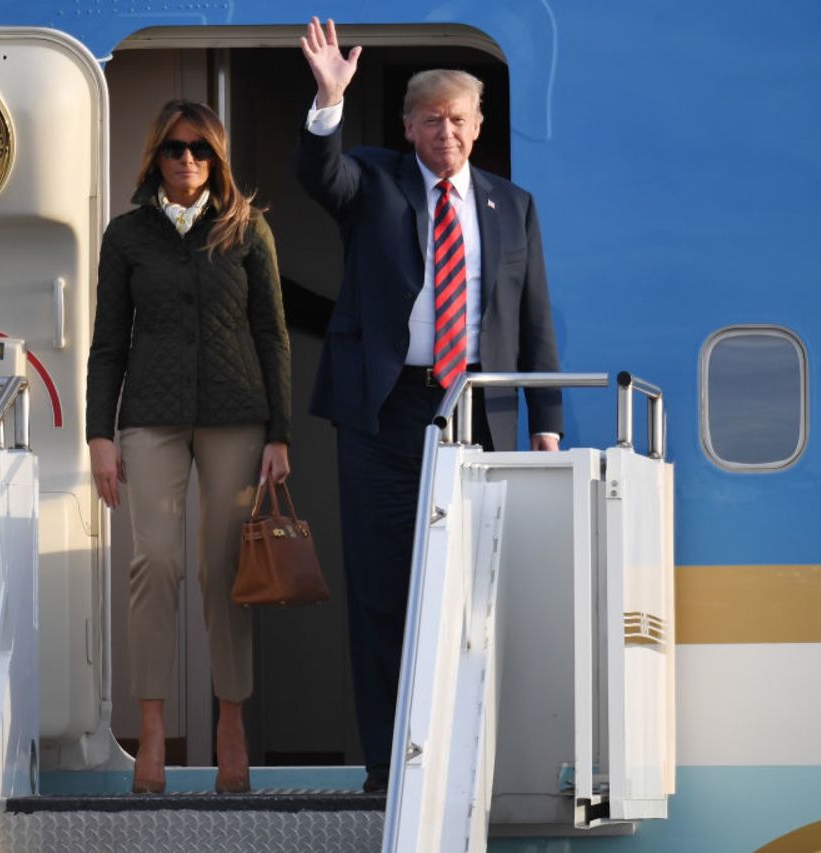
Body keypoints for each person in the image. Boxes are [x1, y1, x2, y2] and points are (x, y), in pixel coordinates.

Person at [296, 17, 562, 793]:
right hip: (386, 414)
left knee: (478, 585)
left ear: (479, 128)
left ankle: (469, 749)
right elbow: (321, 175)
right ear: (408, 126)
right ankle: (388, 762)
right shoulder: (372, 180)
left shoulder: (513, 207)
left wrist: (544, 424)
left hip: (480, 410)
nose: (445, 131)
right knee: (383, 586)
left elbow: (535, 321)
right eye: (430, 119)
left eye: (458, 119)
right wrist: (327, 100)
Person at [86, 100, 292, 795]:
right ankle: (149, 725)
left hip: (237, 415)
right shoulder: (126, 237)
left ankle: (231, 719)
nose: (187, 161)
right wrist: (99, 434)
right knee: (156, 560)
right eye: (175, 149)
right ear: (155, 156)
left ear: (217, 159)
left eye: (200, 150)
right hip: (150, 416)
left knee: (224, 566)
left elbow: (273, 337)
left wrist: (281, 434)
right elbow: (108, 342)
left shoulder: (248, 230)